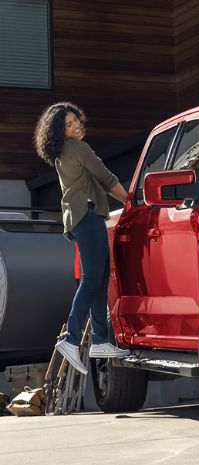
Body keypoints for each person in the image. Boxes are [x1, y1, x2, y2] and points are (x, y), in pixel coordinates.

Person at [34, 102, 131, 374]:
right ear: (59, 131)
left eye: (76, 120)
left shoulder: (62, 153)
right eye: (68, 124)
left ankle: (100, 339)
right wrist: (131, 201)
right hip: (87, 217)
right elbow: (106, 177)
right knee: (92, 279)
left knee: (99, 278)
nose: (76, 126)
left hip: (79, 219)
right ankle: (71, 338)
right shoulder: (78, 148)